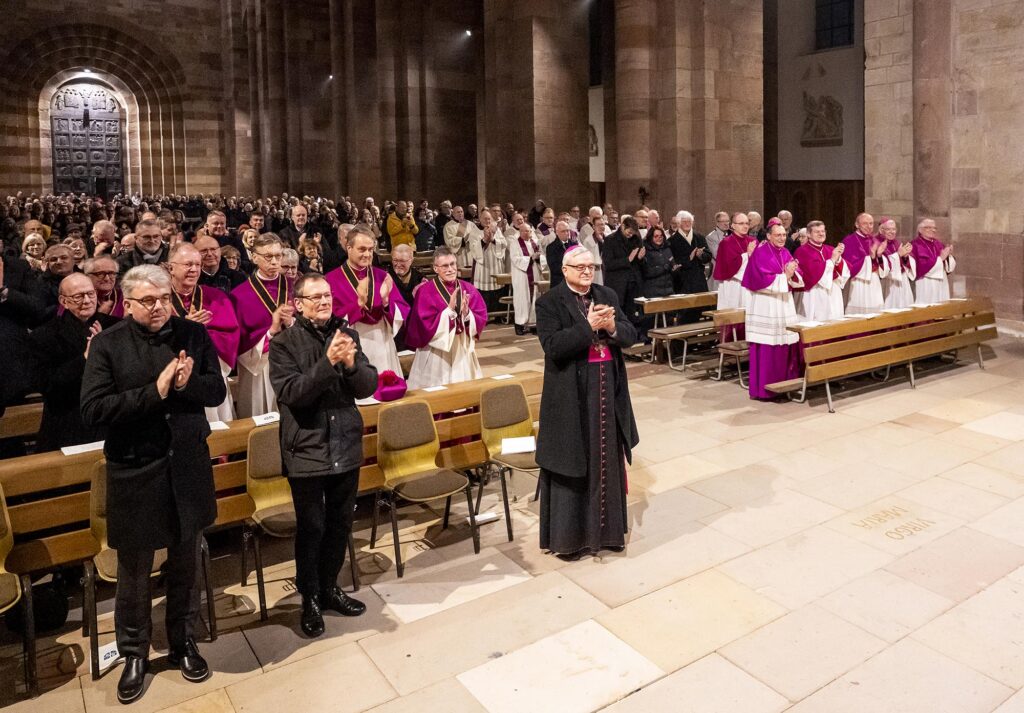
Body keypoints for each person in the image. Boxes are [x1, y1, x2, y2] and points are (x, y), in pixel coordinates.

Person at [81, 265, 226, 704]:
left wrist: (186, 385)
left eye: (164, 297)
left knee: (186, 561)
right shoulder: (108, 344)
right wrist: (157, 392)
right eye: (148, 300)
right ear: (128, 303)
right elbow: (93, 410)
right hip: (135, 469)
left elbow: (215, 391)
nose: (159, 306)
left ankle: (183, 641)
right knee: (134, 570)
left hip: (186, 464)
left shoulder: (192, 336)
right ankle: (135, 654)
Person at [269, 272, 377, 638]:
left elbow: (367, 387)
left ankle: (330, 588)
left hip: (345, 443)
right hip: (307, 447)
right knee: (312, 528)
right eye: (315, 297)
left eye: (328, 295)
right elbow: (293, 393)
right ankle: (310, 596)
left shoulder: (347, 335)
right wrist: (328, 363)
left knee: (340, 524)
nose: (324, 302)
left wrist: (350, 365)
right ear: (298, 304)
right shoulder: (284, 343)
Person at [535, 246, 638, 560]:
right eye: (579, 267)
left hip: (607, 386)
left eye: (590, 267)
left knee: (605, 455)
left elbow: (631, 334)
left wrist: (612, 328)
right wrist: (588, 327)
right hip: (569, 394)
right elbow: (553, 346)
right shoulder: (549, 302)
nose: (586, 272)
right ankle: (570, 539)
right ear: (565, 270)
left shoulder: (606, 293)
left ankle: (606, 533)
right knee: (573, 457)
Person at [28, 273, 118, 451]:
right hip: (69, 423)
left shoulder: (115, 327)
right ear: (63, 301)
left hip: (111, 419)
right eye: (78, 296)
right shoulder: (45, 335)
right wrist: (87, 356)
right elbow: (48, 386)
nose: (86, 301)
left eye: (90, 294)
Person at [167, 243, 240, 421]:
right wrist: (185, 327)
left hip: (210, 375)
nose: (194, 269)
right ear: (171, 268)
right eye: (188, 264)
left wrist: (199, 333)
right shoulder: (159, 298)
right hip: (172, 379)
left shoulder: (217, 297)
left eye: (197, 265)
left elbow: (229, 336)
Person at [325, 225, 409, 374]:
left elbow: (403, 310)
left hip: (382, 342)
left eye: (370, 249)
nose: (367, 254)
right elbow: (328, 319)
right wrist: (357, 305)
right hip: (352, 344)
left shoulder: (382, 276)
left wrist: (386, 302)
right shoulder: (331, 280)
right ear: (348, 248)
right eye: (362, 249)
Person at [230, 234, 295, 417]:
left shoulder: (295, 286)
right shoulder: (239, 295)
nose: (275, 262)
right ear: (254, 257)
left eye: (278, 256)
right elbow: (239, 341)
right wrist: (272, 331)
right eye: (268, 257)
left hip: (294, 360)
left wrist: (291, 323)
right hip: (259, 365)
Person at [405, 247, 488, 389]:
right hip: (436, 352)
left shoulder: (468, 288)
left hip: (460, 347)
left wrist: (467, 314)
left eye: (452, 264)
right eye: (445, 266)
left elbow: (481, 317)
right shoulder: (425, 291)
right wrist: (449, 311)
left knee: (464, 390)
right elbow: (424, 324)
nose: (450, 269)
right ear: (435, 268)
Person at [743, 220, 804, 400]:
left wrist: (793, 273)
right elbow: (759, 280)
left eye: (784, 235)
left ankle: (787, 384)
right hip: (766, 306)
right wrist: (786, 276)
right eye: (778, 235)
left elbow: (794, 278)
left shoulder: (785, 252)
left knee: (785, 345)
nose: (782, 238)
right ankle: (765, 390)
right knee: (768, 347)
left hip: (783, 305)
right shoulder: (760, 254)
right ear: (769, 236)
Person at [713, 212, 757, 339]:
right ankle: (730, 346)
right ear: (733, 225)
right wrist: (747, 254)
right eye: (741, 223)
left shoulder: (752, 241)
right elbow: (727, 267)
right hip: (733, 285)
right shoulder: (726, 243)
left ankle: (749, 346)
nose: (745, 226)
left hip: (750, 286)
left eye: (747, 223)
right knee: (734, 318)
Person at [794, 220, 848, 321]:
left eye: (823, 231)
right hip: (816, 292)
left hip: (834, 292)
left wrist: (838, 259)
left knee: (836, 321)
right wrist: (832, 259)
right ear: (809, 234)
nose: (821, 234)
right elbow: (813, 272)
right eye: (817, 231)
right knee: (819, 322)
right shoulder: (802, 251)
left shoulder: (830, 249)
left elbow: (845, 270)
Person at [599, 215, 643, 327]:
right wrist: (627, 260)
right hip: (618, 284)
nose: (631, 234)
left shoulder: (636, 238)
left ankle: (633, 335)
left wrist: (641, 257)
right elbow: (608, 264)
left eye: (633, 232)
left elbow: (639, 262)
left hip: (633, 281)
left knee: (633, 311)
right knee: (619, 313)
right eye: (629, 231)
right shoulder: (610, 240)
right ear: (623, 226)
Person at [668, 211, 711, 322]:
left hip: (698, 280)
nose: (687, 223)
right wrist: (689, 258)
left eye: (689, 221)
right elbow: (672, 262)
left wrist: (701, 255)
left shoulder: (699, 237)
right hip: (683, 281)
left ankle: (704, 338)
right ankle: (684, 338)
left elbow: (708, 256)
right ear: (678, 223)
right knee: (686, 313)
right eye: (684, 221)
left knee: (702, 310)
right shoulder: (672, 241)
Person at [842, 213, 889, 314]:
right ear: (857, 224)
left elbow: (883, 269)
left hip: (875, 283)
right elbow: (849, 267)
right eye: (865, 223)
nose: (869, 226)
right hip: (858, 283)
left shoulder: (875, 240)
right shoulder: (849, 241)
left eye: (871, 223)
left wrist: (879, 255)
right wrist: (870, 258)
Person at [467, 208, 509, 314]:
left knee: (497, 289)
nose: (488, 221)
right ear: (480, 219)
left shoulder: (496, 229)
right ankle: (484, 314)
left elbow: (504, 243)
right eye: (485, 219)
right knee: (483, 292)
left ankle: (498, 314)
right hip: (483, 266)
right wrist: (484, 240)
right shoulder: (475, 231)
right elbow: (473, 248)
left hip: (495, 263)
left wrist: (493, 240)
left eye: (489, 219)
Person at [508, 218, 544, 335]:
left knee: (535, 298)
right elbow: (515, 259)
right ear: (519, 231)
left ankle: (534, 324)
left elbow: (542, 256)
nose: (526, 233)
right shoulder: (515, 243)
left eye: (528, 231)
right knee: (522, 300)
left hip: (535, 273)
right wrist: (531, 258)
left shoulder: (535, 242)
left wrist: (539, 258)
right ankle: (519, 325)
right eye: (523, 231)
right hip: (522, 276)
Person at [386, 244, 423, 351]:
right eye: (395, 260)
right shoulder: (385, 278)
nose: (398, 264)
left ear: (411, 260)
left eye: (402, 261)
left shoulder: (420, 279)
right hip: (394, 330)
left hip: (414, 330)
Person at [912, 218, 956, 303]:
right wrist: (941, 258)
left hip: (942, 281)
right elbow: (921, 267)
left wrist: (949, 255)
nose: (933, 230)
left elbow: (948, 268)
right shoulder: (916, 245)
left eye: (935, 228)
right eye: (929, 227)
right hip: (926, 282)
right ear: (920, 230)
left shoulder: (938, 243)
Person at [879, 218, 916, 308]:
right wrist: (899, 254)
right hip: (888, 283)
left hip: (903, 281)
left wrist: (905, 256)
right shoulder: (878, 243)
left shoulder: (898, 243)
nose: (892, 232)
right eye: (888, 229)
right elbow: (882, 264)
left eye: (894, 229)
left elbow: (907, 264)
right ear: (881, 230)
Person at [442, 205, 477, 270]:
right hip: (458, 256)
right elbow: (449, 241)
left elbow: (478, 237)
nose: (460, 213)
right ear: (453, 214)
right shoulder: (448, 226)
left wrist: (472, 239)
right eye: (458, 212)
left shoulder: (470, 224)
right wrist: (463, 240)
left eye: (461, 211)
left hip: (470, 255)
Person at [545, 220, 577, 290]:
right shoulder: (551, 247)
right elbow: (554, 267)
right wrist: (569, 270)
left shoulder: (575, 244)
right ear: (557, 232)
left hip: (574, 281)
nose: (566, 233)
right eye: (563, 231)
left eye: (567, 230)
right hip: (559, 282)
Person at [704, 211, 730, 291]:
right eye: (723, 221)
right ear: (717, 223)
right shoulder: (711, 237)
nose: (726, 223)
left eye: (727, 221)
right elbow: (718, 255)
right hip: (719, 272)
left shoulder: (733, 234)